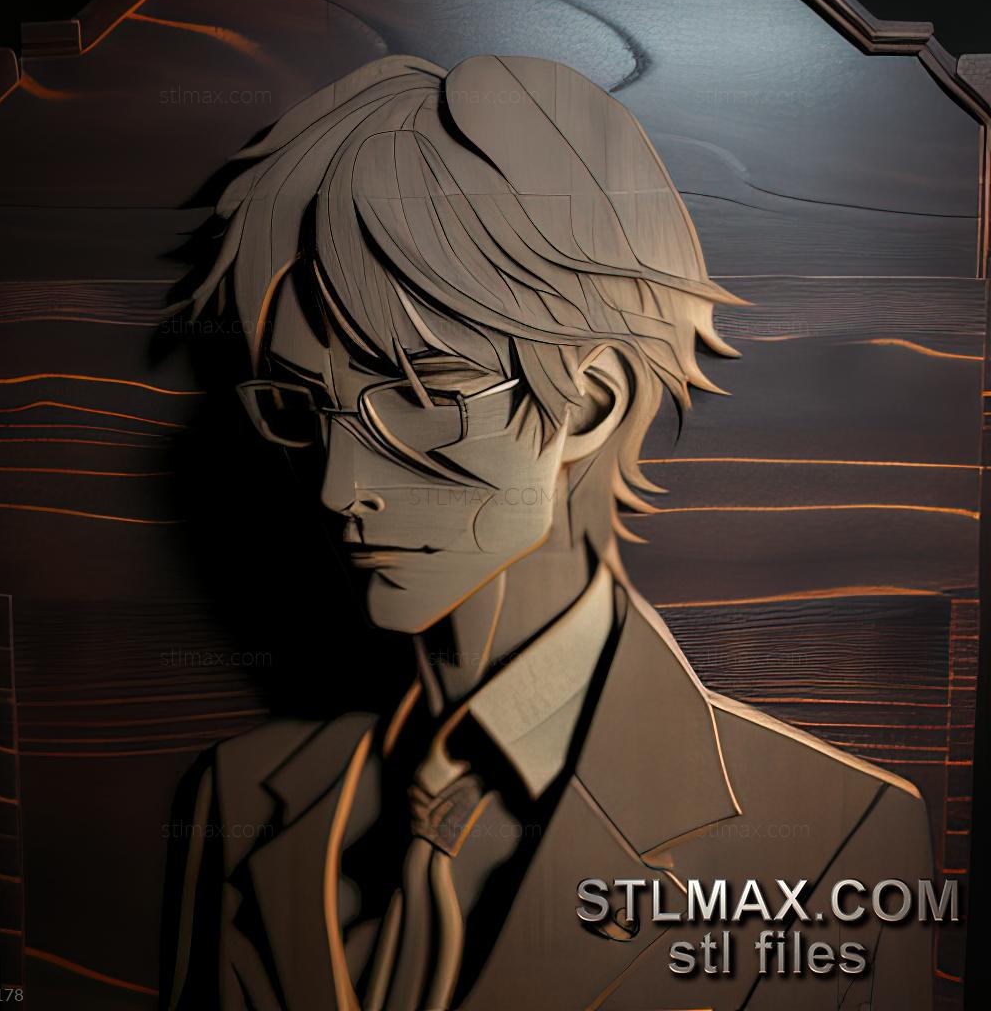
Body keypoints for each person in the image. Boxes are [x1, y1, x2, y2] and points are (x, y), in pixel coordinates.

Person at [162, 53, 933, 1010]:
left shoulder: (834, 840)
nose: (338, 486)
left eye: (421, 395)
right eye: (302, 404)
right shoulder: (242, 798)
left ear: (592, 402)